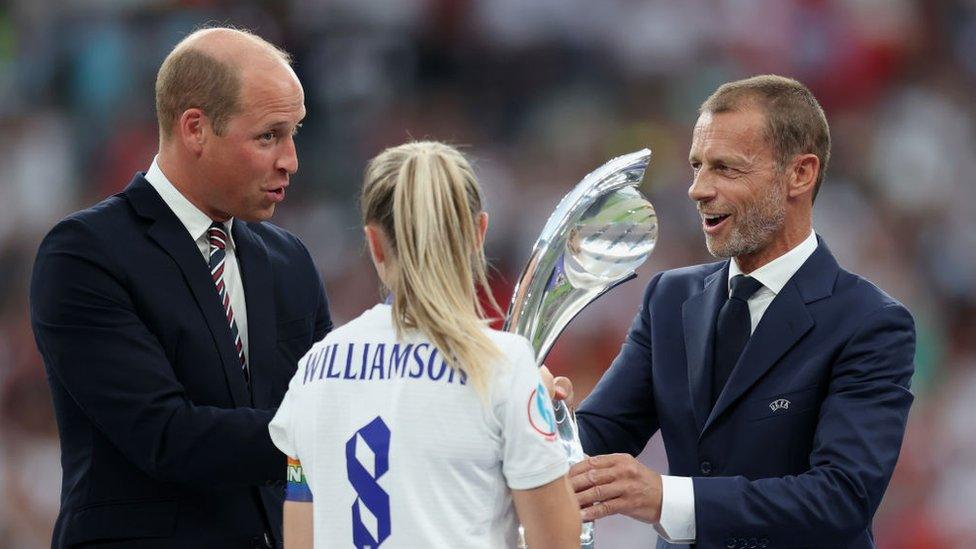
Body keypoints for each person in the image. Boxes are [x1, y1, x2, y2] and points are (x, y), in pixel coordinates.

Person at [546, 75, 916, 548]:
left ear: (799, 174)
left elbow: (841, 497)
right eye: (696, 166)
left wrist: (667, 499)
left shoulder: (870, 323)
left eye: (725, 168)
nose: (698, 189)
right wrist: (541, 421)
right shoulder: (670, 298)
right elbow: (596, 437)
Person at [29, 27, 332, 547]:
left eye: (294, 133)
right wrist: (333, 432)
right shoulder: (84, 254)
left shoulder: (290, 261)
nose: (290, 160)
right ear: (194, 128)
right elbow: (165, 436)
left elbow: (328, 401)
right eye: (268, 136)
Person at [268, 141, 581, 548]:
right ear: (479, 234)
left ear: (375, 243)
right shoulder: (504, 365)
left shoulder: (313, 368)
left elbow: (299, 539)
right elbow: (558, 541)